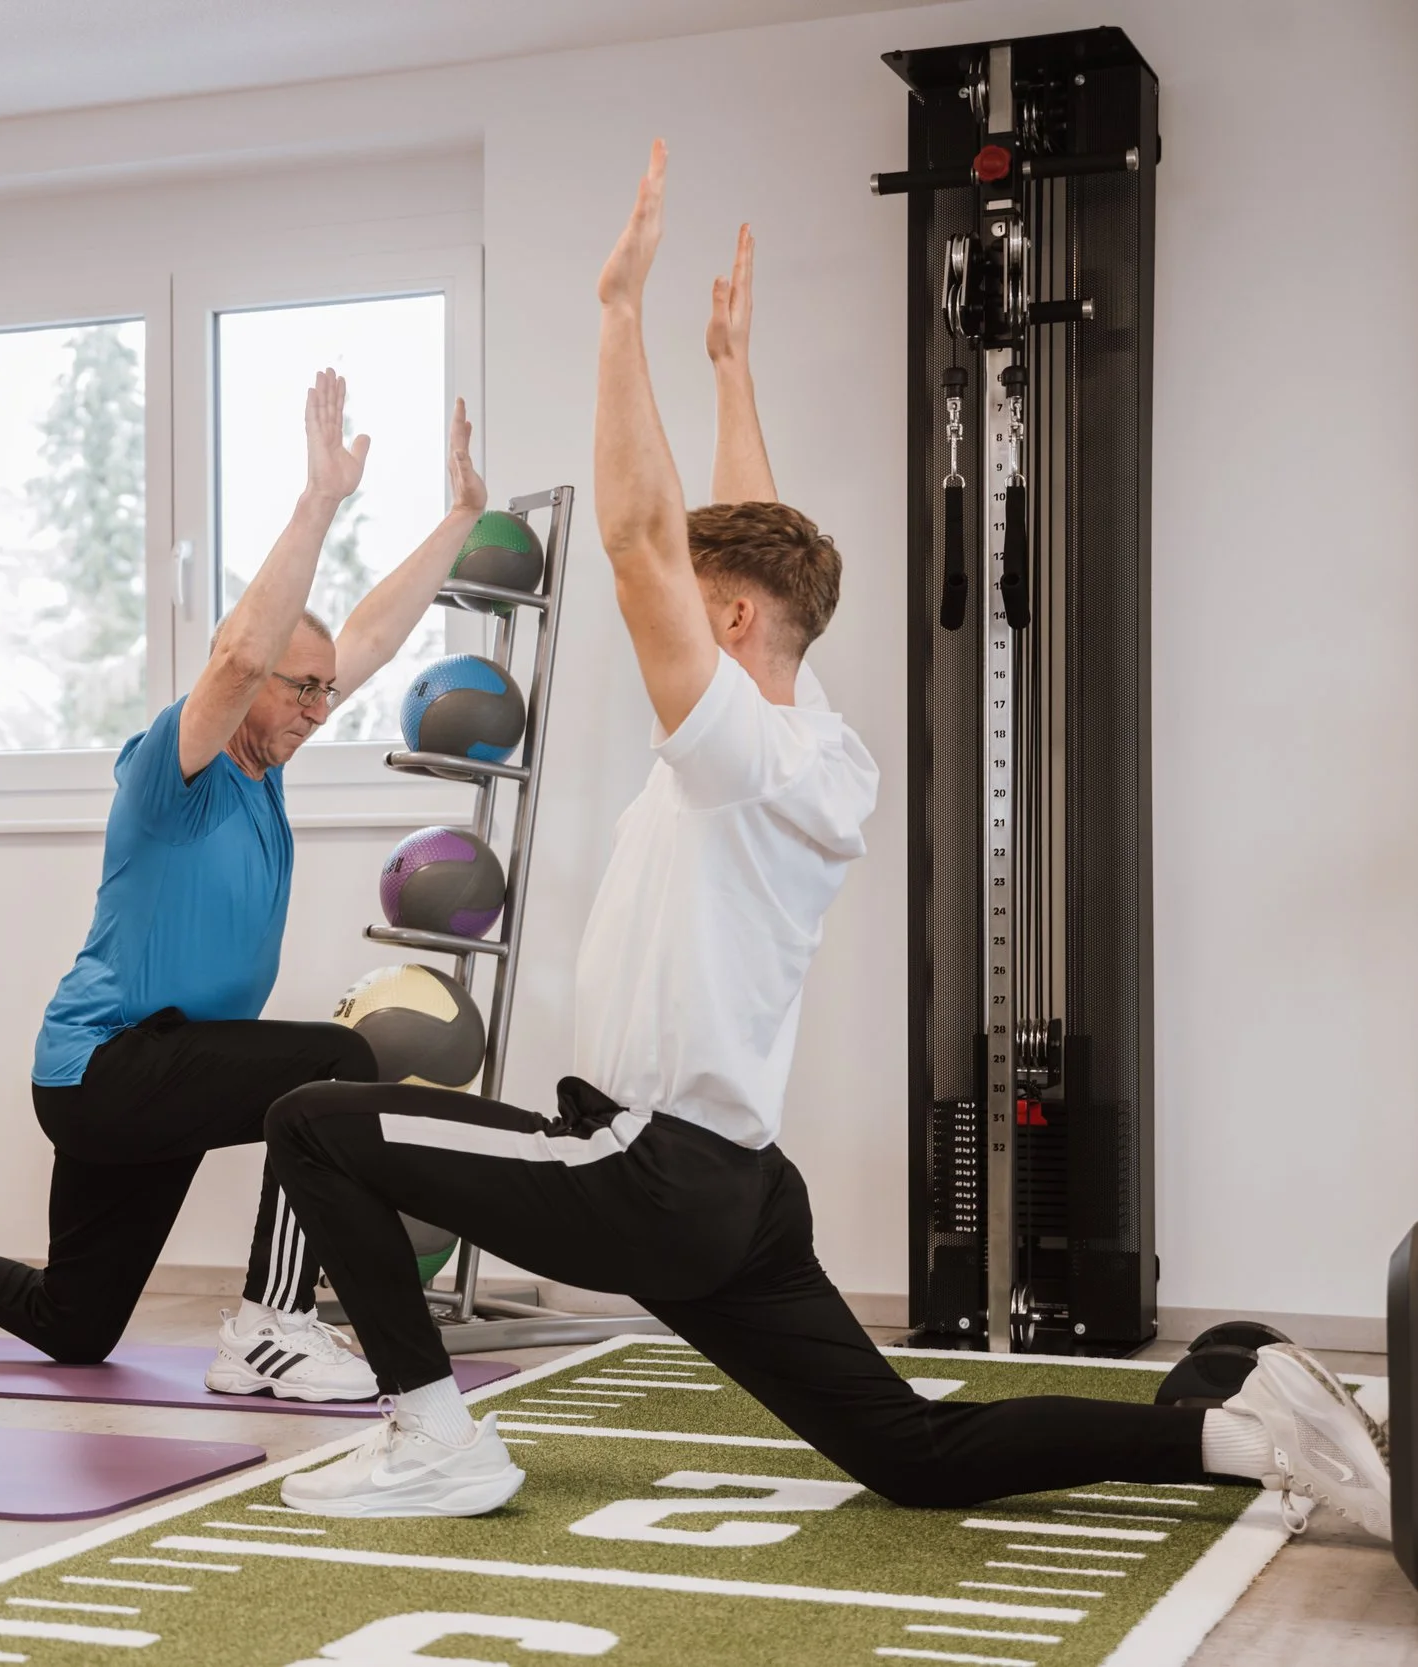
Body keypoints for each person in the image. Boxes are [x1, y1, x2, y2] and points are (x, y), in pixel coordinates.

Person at [267, 141, 1395, 1536]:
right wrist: (733, 372)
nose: (673, 600)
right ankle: (1228, 1427)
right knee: (909, 1450)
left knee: (313, 1121)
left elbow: (635, 540)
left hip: (643, 1167)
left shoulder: (737, 752)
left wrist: (618, 316)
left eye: (699, 595)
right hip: (737, 1187)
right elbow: (756, 548)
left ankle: (434, 1439)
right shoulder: (819, 743)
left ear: (729, 623)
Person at [0, 372, 489, 1402]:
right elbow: (240, 650)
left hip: (144, 1079)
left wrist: (462, 518)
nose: (316, 705)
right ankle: (272, 1321)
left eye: (323, 690)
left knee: (74, 1321)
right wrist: (317, 503)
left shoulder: (268, 766)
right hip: (105, 1066)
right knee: (338, 1064)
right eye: (298, 687)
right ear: (247, 681)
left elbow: (368, 635)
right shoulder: (179, 770)